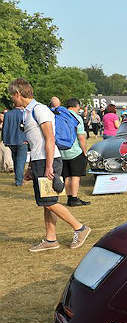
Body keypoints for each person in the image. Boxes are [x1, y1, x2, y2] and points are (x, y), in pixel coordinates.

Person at [8, 78, 91, 252]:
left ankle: (80, 228)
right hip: (40, 160)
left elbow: (50, 138)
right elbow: (34, 143)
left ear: (18, 93)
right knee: (47, 202)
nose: (11, 99)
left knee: (49, 201)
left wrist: (48, 166)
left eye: (12, 96)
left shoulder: (40, 110)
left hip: (48, 161)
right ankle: (51, 239)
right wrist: (31, 168)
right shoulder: (27, 112)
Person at [62, 98, 90, 207]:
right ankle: (74, 198)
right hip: (75, 151)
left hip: (62, 151)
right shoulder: (76, 117)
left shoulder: (59, 116)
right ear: (75, 106)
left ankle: (69, 197)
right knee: (75, 176)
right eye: (79, 107)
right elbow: (81, 137)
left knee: (67, 176)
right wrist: (84, 151)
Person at [2, 106, 28, 185]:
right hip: (22, 141)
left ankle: (18, 179)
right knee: (20, 161)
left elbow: (5, 128)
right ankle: (19, 181)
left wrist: (5, 140)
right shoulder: (24, 114)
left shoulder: (8, 114)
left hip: (11, 141)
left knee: (16, 160)